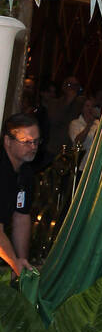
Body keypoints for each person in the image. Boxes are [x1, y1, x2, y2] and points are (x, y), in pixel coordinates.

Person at [0, 112, 42, 276]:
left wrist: (22, 261)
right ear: (7, 141)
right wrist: (13, 261)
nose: (33, 147)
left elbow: (21, 217)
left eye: (36, 141)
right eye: (26, 142)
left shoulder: (25, 172)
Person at [44, 76, 83, 158]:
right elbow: (54, 120)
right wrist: (68, 102)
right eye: (70, 85)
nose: (72, 88)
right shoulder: (54, 103)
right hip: (54, 149)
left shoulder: (80, 104)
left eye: (75, 85)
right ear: (64, 87)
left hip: (71, 150)